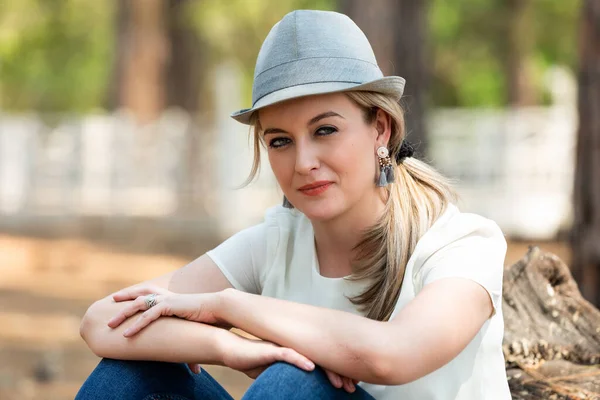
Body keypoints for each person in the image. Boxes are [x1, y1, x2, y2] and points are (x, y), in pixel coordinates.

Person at [76, 9, 511, 400]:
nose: (303, 163)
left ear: (379, 127)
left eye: (325, 130)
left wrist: (228, 306)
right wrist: (230, 348)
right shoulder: (276, 243)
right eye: (280, 141)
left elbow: (395, 354)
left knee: (292, 381)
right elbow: (101, 322)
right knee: (129, 375)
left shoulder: (461, 243)